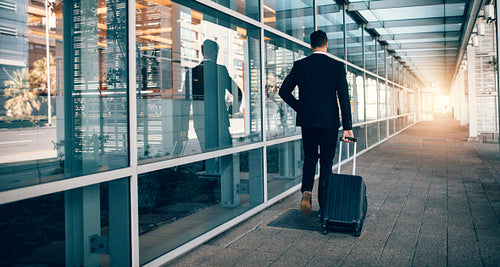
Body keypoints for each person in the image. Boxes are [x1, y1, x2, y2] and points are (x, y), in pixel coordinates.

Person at [279, 30, 354, 216]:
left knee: (310, 158)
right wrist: (348, 127)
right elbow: (344, 98)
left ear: (311, 46)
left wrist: (301, 108)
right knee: (326, 162)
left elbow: (283, 92)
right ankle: (324, 206)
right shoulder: (336, 66)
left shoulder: (300, 65)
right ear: (326, 44)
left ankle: (306, 191)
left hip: (308, 121)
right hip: (329, 122)